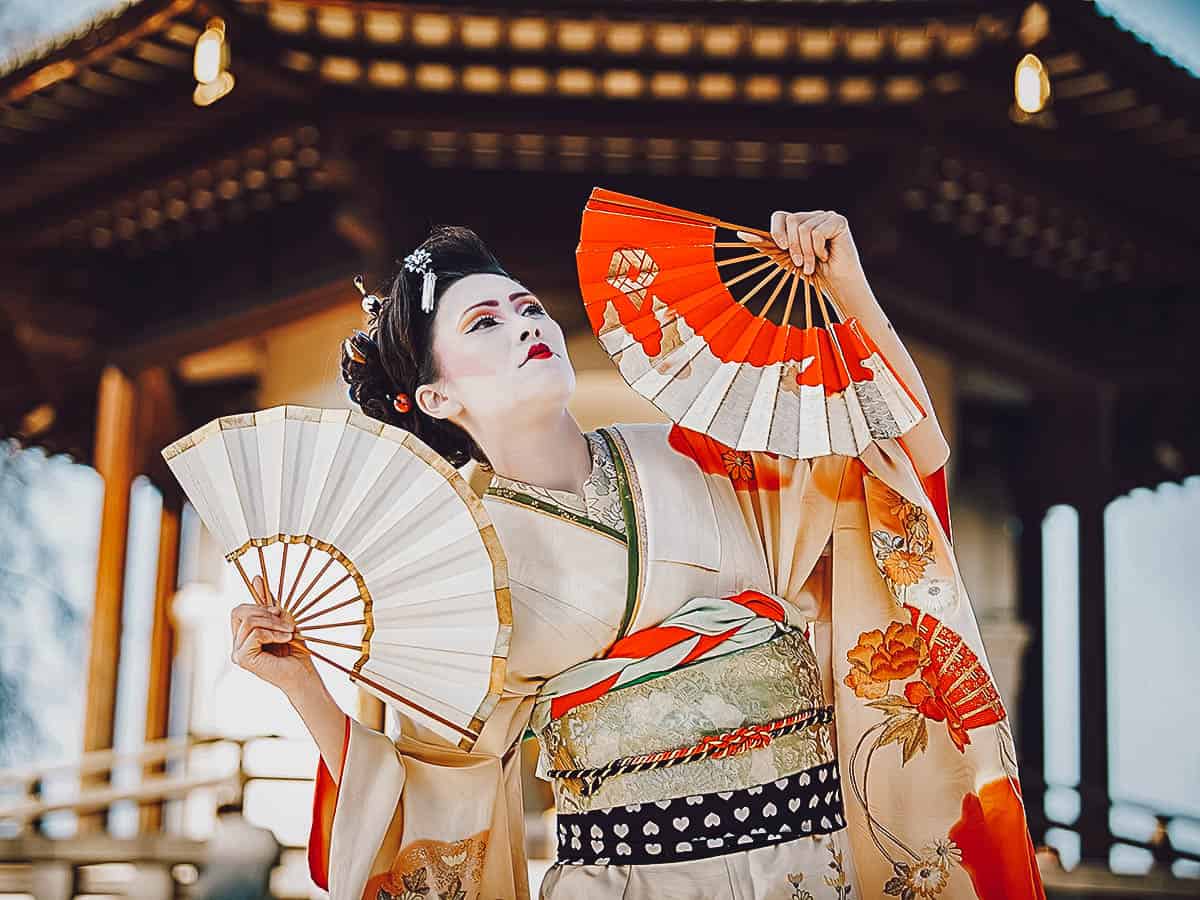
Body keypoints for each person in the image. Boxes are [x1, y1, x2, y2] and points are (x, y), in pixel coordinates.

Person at [229, 217, 1045, 900]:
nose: (525, 325)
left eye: (526, 306)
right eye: (484, 323)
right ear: (439, 398)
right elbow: (436, 784)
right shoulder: (451, 562)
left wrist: (847, 294)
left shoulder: (704, 455)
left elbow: (896, 468)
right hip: (623, 879)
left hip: (805, 863)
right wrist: (303, 683)